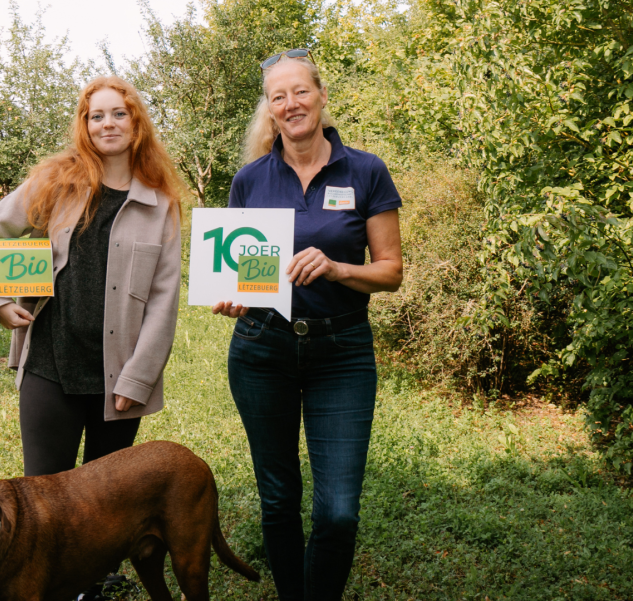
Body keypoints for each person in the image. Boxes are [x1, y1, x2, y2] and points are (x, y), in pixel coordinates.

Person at [0, 75, 182, 600]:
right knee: (42, 502)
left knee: (105, 505)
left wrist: (140, 376)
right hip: (49, 368)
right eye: (96, 115)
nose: (107, 124)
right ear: (84, 125)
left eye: (118, 114)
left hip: (119, 379)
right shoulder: (56, 182)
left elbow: (164, 300)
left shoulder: (160, 204)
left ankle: (93, 585)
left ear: (136, 123)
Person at [211, 49, 403, 600]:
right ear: (270, 111)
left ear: (320, 96)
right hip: (261, 349)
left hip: (341, 352)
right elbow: (243, 270)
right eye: (279, 96)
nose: (291, 103)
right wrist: (235, 298)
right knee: (278, 498)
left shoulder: (365, 170)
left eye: (300, 91)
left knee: (338, 510)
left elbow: (390, 272)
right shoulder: (250, 180)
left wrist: (340, 267)